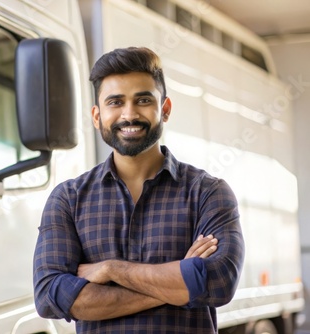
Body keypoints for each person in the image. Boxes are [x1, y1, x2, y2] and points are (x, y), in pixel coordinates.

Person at [33, 46, 245, 333]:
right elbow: (51, 296)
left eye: (143, 100)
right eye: (115, 102)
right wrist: (179, 281)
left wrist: (111, 270)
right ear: (97, 116)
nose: (129, 115)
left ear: (165, 109)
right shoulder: (68, 199)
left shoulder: (207, 192)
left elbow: (219, 282)